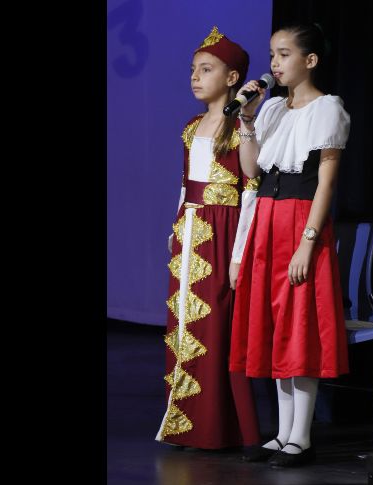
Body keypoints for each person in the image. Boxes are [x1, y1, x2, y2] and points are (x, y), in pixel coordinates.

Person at [229, 23, 351, 467]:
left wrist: (309, 242)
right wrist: (246, 118)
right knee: (274, 326)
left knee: (299, 326)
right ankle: (282, 433)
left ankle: (302, 435)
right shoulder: (273, 109)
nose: (274, 64)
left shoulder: (328, 109)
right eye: (272, 54)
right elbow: (251, 171)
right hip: (267, 218)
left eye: (283, 55)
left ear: (310, 61)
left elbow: (326, 184)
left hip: (301, 220)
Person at [155, 26, 261, 450]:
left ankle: (221, 426)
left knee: (216, 328)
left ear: (232, 78)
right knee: (184, 323)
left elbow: (251, 187)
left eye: (207, 69)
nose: (195, 77)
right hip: (191, 231)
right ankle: (186, 422)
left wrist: (238, 255)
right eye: (193, 70)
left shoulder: (241, 126)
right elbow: (186, 186)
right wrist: (175, 226)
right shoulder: (191, 126)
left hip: (223, 232)